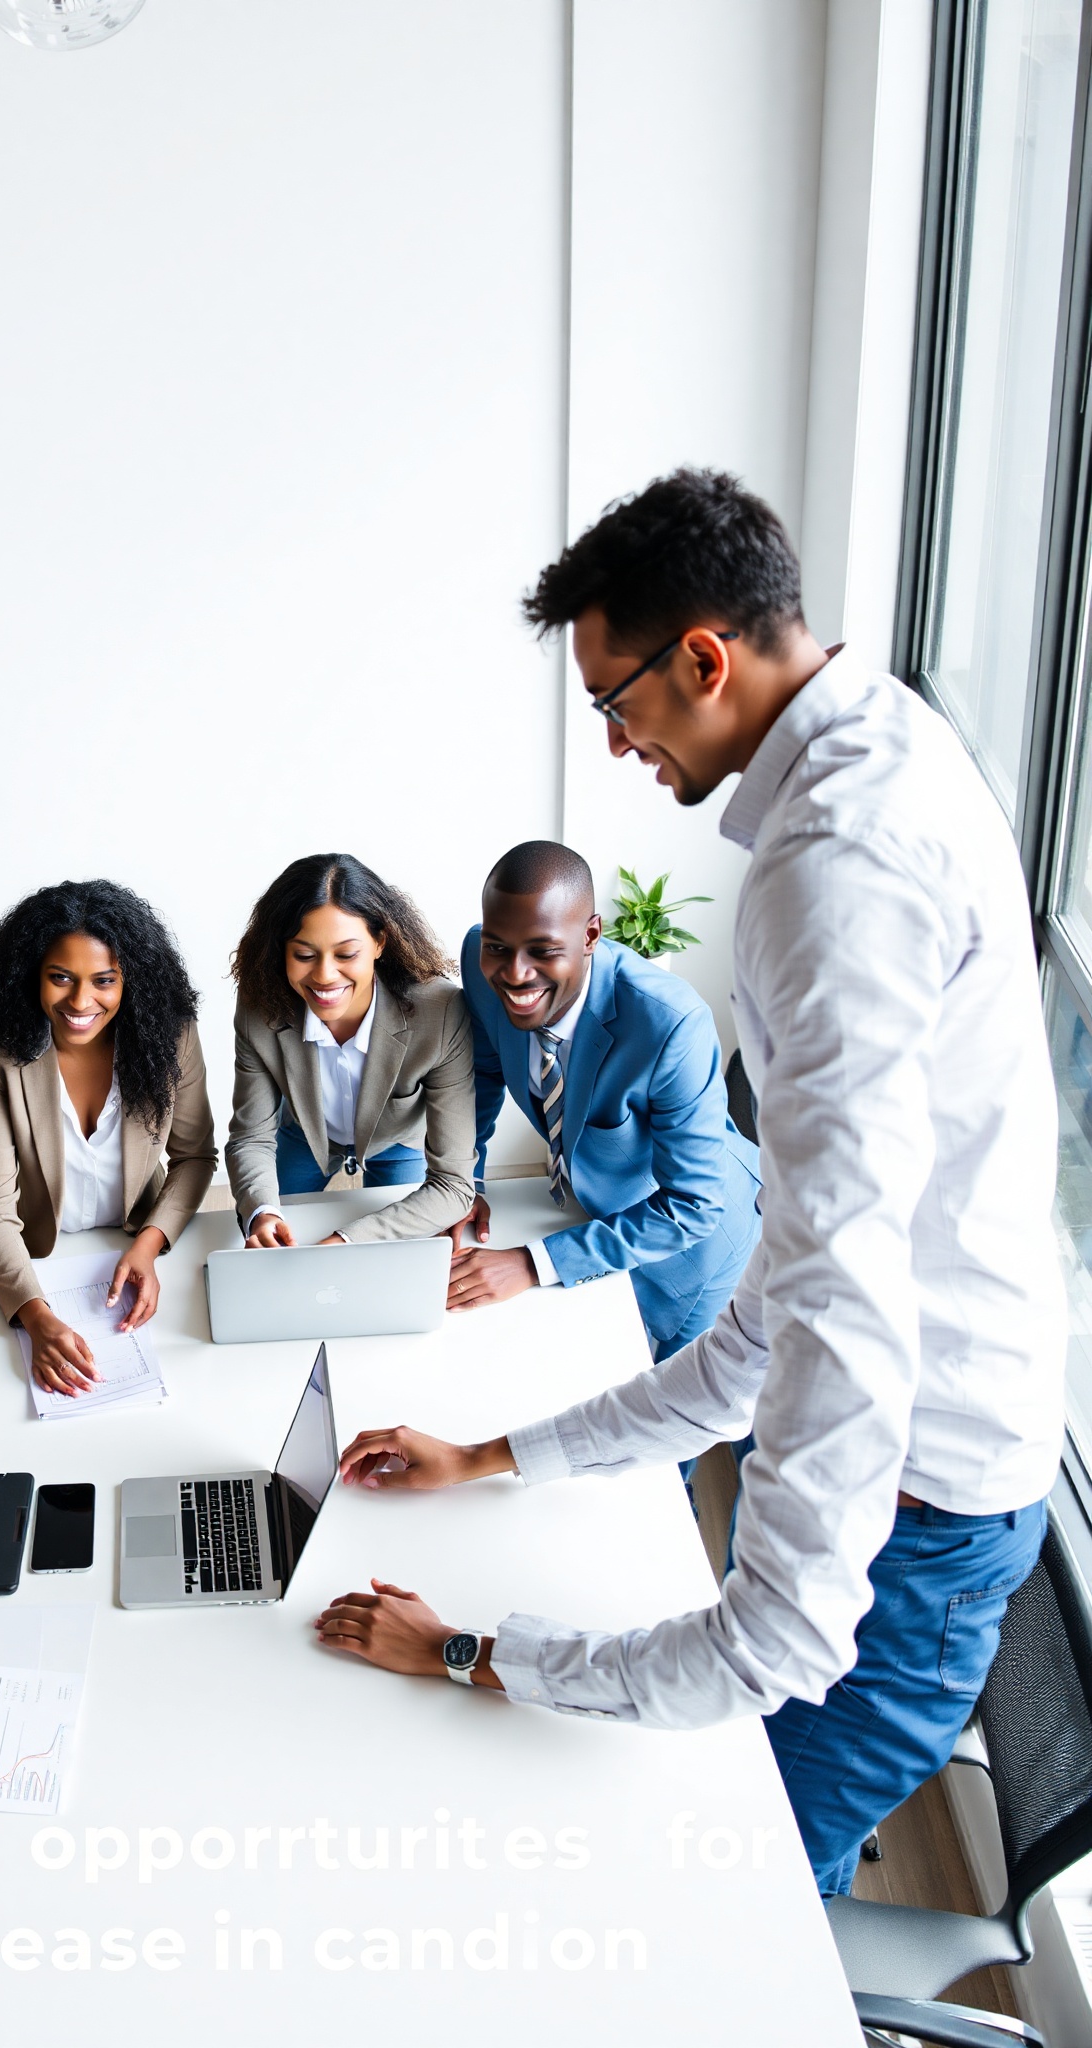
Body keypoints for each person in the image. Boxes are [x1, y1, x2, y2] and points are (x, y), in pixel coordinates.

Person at [314, 469, 1065, 1899]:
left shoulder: (833, 869)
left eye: (618, 700)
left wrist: (468, 1651)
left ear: (705, 660)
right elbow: (775, 1320)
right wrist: (492, 1458)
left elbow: (771, 1622)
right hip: (930, 1470)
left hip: (918, 1511)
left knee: (721, 1899)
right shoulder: (890, 743)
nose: (614, 743)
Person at [448, 839, 760, 1360]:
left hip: (696, 1253)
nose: (515, 974)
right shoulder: (482, 966)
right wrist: (465, 1182)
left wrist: (532, 1263)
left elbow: (694, 1205)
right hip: (591, 1215)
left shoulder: (670, 1023)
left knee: (672, 1422)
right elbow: (482, 1072)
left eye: (542, 951)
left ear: (591, 935)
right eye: (498, 947)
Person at [0, 879, 217, 1396]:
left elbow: (195, 1157)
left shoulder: (173, 1035)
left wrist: (149, 1244)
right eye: (60, 978)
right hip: (40, 1256)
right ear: (31, 975)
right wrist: (35, 1316)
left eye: (104, 980)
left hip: (135, 1241)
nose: (81, 1000)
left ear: (133, 982)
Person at [226, 853, 474, 1249]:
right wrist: (261, 1212)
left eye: (346, 954)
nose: (324, 975)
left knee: (403, 1244)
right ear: (281, 951)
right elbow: (251, 1138)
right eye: (304, 955)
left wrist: (346, 1242)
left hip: (397, 1140)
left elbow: (453, 1186)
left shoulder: (440, 1011)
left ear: (379, 942)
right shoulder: (261, 1007)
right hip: (303, 1135)